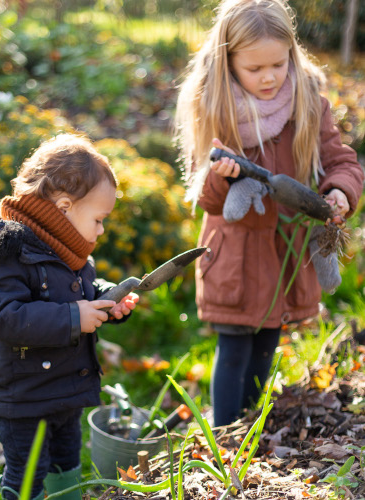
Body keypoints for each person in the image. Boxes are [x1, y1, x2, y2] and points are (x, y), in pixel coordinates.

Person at [174, 0, 364, 427]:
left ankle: (253, 428)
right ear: (229, 61)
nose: (269, 77)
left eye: (278, 64)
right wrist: (221, 177)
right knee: (234, 348)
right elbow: (205, 198)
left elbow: (344, 164)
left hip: (285, 254)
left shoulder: (308, 103)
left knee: (266, 345)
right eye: (255, 68)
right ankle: (226, 434)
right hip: (236, 256)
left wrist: (337, 193)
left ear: (291, 54)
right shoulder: (215, 106)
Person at [0, 134, 138, 499]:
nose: (101, 230)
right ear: (64, 206)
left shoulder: (67, 244)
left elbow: (78, 291)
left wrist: (106, 301)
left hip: (66, 387)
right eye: (99, 219)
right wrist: (71, 318)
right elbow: (4, 317)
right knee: (27, 473)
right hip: (24, 395)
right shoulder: (6, 250)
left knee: (66, 461)